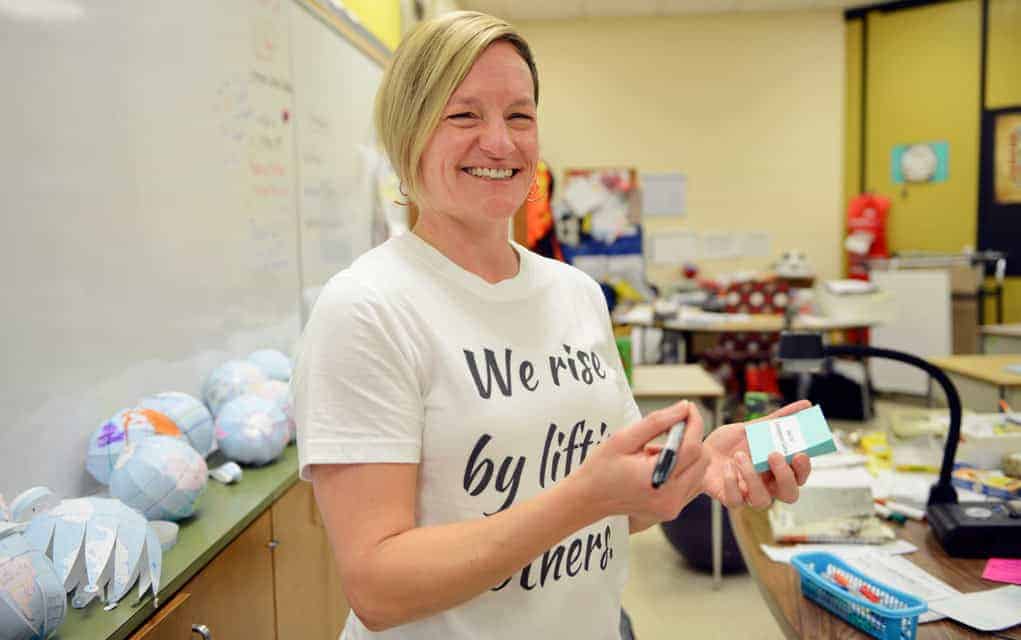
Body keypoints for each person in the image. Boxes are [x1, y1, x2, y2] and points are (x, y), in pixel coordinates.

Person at [292, 11, 811, 639]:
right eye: (464, 116)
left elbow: (620, 512)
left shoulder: (576, 294)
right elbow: (377, 586)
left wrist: (696, 470)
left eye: (520, 115)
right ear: (410, 133)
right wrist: (584, 497)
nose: (500, 143)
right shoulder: (368, 308)